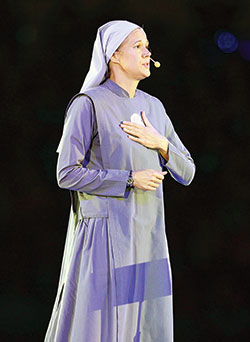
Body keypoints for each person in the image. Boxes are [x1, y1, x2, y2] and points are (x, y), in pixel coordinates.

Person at [44, 20, 195, 342]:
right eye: (138, 46)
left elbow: (187, 171)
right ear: (114, 55)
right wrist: (128, 179)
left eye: (147, 46)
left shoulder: (154, 107)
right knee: (102, 326)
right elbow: (66, 173)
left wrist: (161, 144)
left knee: (142, 327)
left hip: (147, 233)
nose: (147, 53)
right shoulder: (89, 103)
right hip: (105, 234)